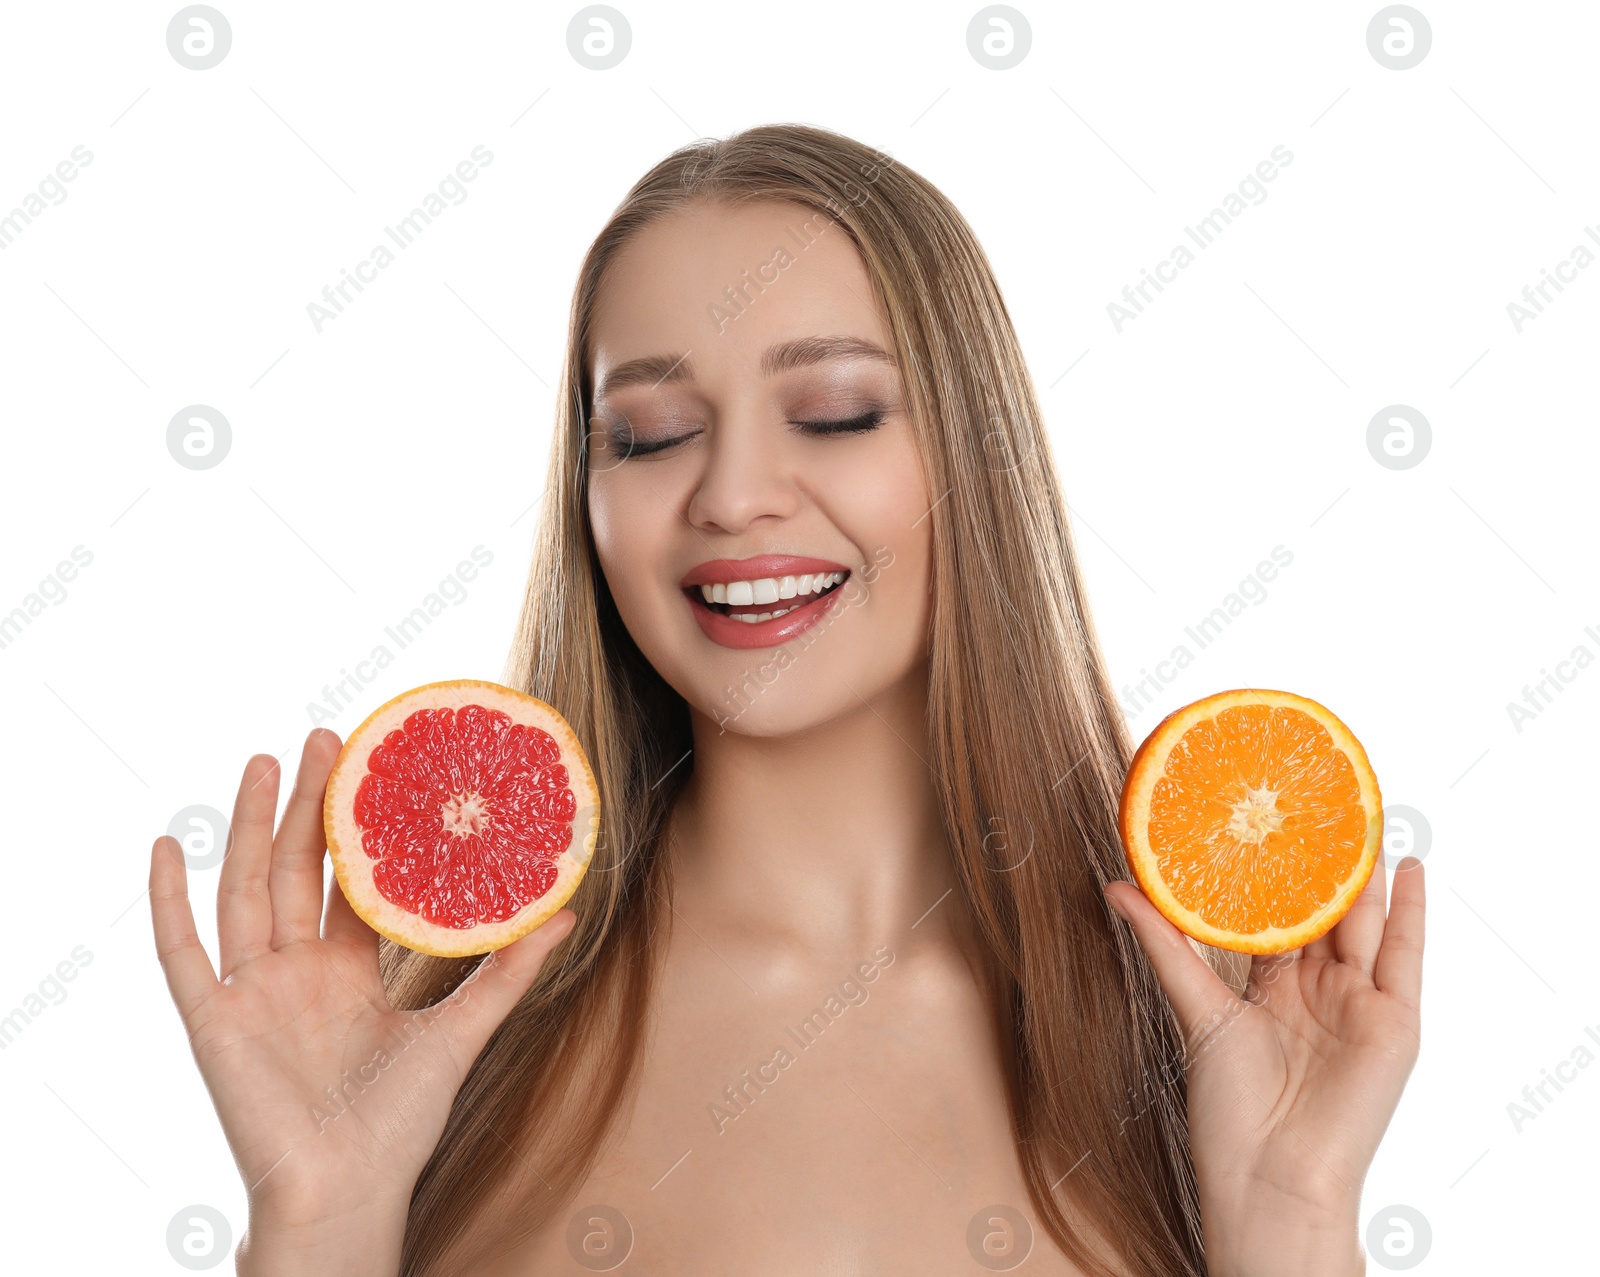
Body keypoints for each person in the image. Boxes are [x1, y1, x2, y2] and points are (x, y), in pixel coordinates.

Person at [149, 123, 1425, 1276]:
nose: (732, 492)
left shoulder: (1207, 1038)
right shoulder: (431, 1055)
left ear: (975, 458)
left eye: (834, 412)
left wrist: (1295, 1215)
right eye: (647, 435)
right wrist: (318, 1220)